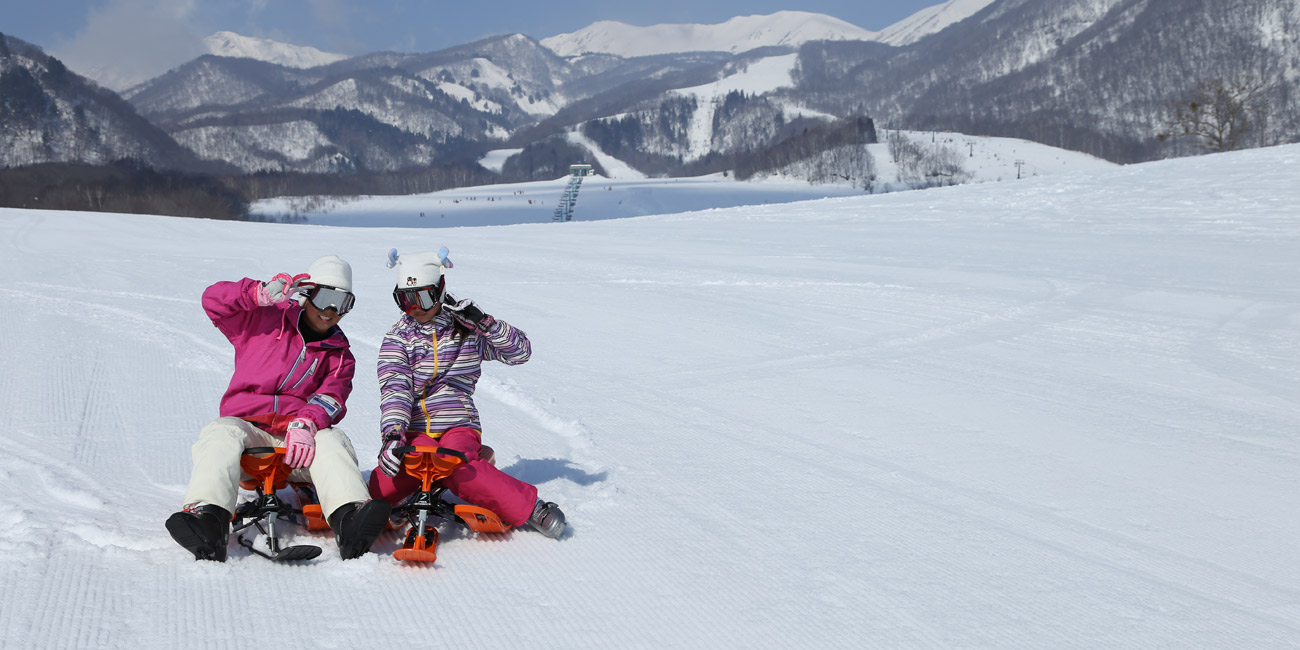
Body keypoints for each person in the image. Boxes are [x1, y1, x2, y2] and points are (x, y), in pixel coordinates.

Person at [166, 255, 392, 561]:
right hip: (251, 432)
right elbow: (213, 301)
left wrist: (308, 423)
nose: (330, 311)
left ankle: (350, 517)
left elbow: (332, 398)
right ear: (307, 293)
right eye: (325, 298)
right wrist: (255, 295)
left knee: (332, 440)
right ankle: (207, 518)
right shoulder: (264, 319)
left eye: (342, 303)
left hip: (298, 444)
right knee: (221, 434)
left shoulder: (340, 356)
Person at [368, 247, 566, 539]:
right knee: (381, 487)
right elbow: (395, 388)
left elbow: (520, 352)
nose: (415, 308)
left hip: (457, 423)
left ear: (440, 291)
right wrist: (393, 434)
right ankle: (470, 471)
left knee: (454, 466)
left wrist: (486, 324)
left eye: (422, 298)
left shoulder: (466, 330)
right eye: (405, 300)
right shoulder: (398, 338)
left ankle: (529, 506)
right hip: (414, 429)